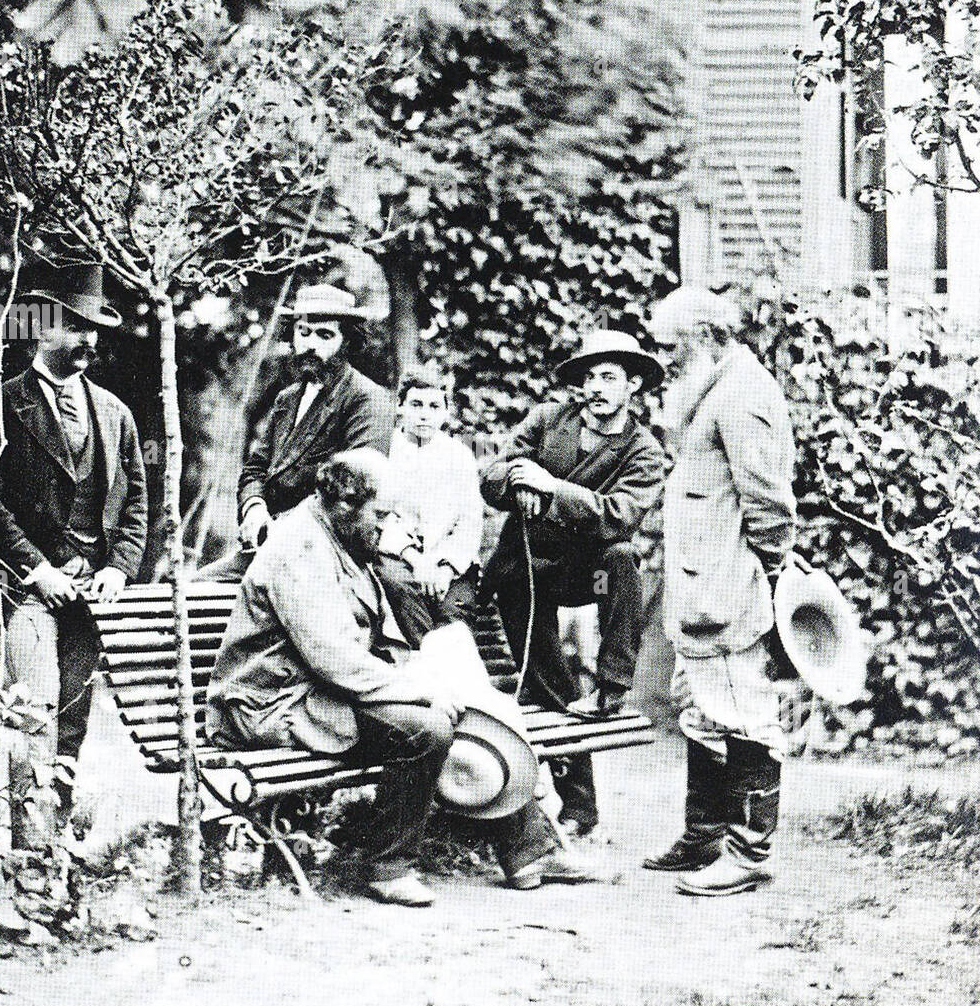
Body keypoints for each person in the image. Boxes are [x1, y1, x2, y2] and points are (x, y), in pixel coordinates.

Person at [205, 449, 594, 906]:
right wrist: (421, 689)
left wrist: (431, 679)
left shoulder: (343, 539)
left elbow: (374, 644)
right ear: (345, 503)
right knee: (425, 728)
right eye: (382, 514)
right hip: (271, 705)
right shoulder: (299, 547)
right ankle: (388, 867)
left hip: (319, 694)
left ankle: (528, 852)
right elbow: (335, 659)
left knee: (461, 707)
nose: (388, 528)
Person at [480, 329, 666, 837]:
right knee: (549, 691)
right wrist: (518, 475)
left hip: (592, 574)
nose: (596, 387)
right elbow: (491, 476)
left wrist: (554, 489)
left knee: (623, 560)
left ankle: (611, 685)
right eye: (589, 377)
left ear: (633, 385)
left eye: (609, 376)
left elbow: (618, 515)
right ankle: (578, 808)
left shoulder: (645, 451)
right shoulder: (547, 419)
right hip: (527, 571)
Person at [643, 286, 797, 897]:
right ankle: (705, 835)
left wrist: (767, 574)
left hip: (729, 590)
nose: (667, 361)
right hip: (700, 589)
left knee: (746, 715)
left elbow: (768, 503)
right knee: (702, 712)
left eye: (672, 347)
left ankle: (750, 853)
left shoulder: (743, 395)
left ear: (706, 337)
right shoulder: (715, 389)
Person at [0, 265, 148, 847]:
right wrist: (36, 568)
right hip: (26, 589)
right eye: (75, 327)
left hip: (90, 595)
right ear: (42, 330)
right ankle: (21, 844)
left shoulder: (115, 412)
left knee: (75, 719)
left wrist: (117, 569)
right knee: (33, 710)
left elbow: (136, 504)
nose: (88, 341)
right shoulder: (5, 405)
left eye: (95, 330)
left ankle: (51, 844)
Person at [233, 284, 393, 562]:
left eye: (325, 335)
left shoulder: (367, 398)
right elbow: (256, 469)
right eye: (303, 332)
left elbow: (356, 488)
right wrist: (255, 507)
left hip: (328, 551)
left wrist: (284, 526)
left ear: (347, 341)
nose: (310, 344)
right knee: (193, 592)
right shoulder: (287, 398)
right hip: (270, 546)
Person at [376, 362, 484, 645]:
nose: (424, 415)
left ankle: (452, 673)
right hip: (399, 558)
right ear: (400, 407)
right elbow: (379, 516)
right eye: (416, 404)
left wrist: (445, 568)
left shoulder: (459, 456)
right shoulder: (383, 452)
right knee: (400, 589)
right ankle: (431, 670)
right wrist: (414, 558)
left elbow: (469, 522)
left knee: (454, 618)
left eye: (434, 406)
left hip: (450, 562)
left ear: (446, 411)